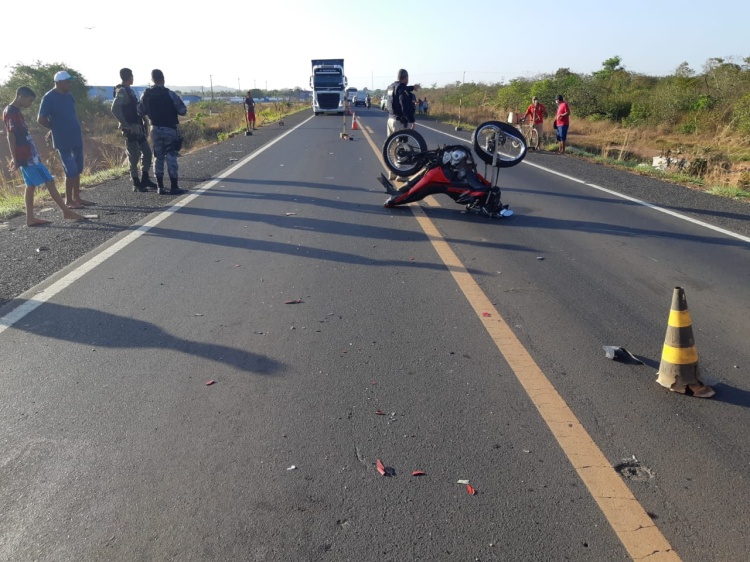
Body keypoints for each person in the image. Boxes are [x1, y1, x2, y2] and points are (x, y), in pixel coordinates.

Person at [3, 87, 85, 226]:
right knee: (49, 180)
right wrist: (15, 158)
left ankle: (30, 218)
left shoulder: (14, 111)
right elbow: (10, 136)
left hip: (28, 153)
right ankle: (66, 211)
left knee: (30, 186)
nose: (30, 103)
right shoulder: (11, 112)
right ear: (21, 97)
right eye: (30, 100)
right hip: (28, 156)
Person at [37, 70, 94, 208]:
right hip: (63, 140)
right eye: (68, 82)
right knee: (71, 170)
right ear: (59, 82)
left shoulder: (69, 96)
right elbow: (41, 119)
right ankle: (69, 201)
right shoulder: (48, 97)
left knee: (78, 169)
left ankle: (77, 198)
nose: (70, 84)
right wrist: (54, 128)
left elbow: (72, 114)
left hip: (75, 136)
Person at [138, 69, 187, 194]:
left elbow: (140, 110)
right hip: (169, 128)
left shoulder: (146, 94)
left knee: (158, 157)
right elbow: (182, 110)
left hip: (155, 128)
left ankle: (160, 187)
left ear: (152, 79)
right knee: (171, 156)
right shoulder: (170, 94)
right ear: (163, 79)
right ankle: (174, 186)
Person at [111, 68, 156, 192]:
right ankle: (136, 182)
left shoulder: (129, 91)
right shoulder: (122, 91)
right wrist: (125, 124)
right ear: (129, 77)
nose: (133, 78)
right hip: (130, 129)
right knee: (134, 156)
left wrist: (145, 121)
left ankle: (145, 178)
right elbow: (114, 109)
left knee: (147, 153)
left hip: (138, 127)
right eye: (132, 76)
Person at [385, 69, 420, 180]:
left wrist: (412, 88)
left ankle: (392, 172)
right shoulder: (402, 89)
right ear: (406, 77)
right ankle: (401, 174)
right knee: (402, 146)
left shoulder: (391, 86)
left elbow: (400, 89)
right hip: (399, 121)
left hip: (390, 120)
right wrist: (411, 120)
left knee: (392, 147)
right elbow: (404, 106)